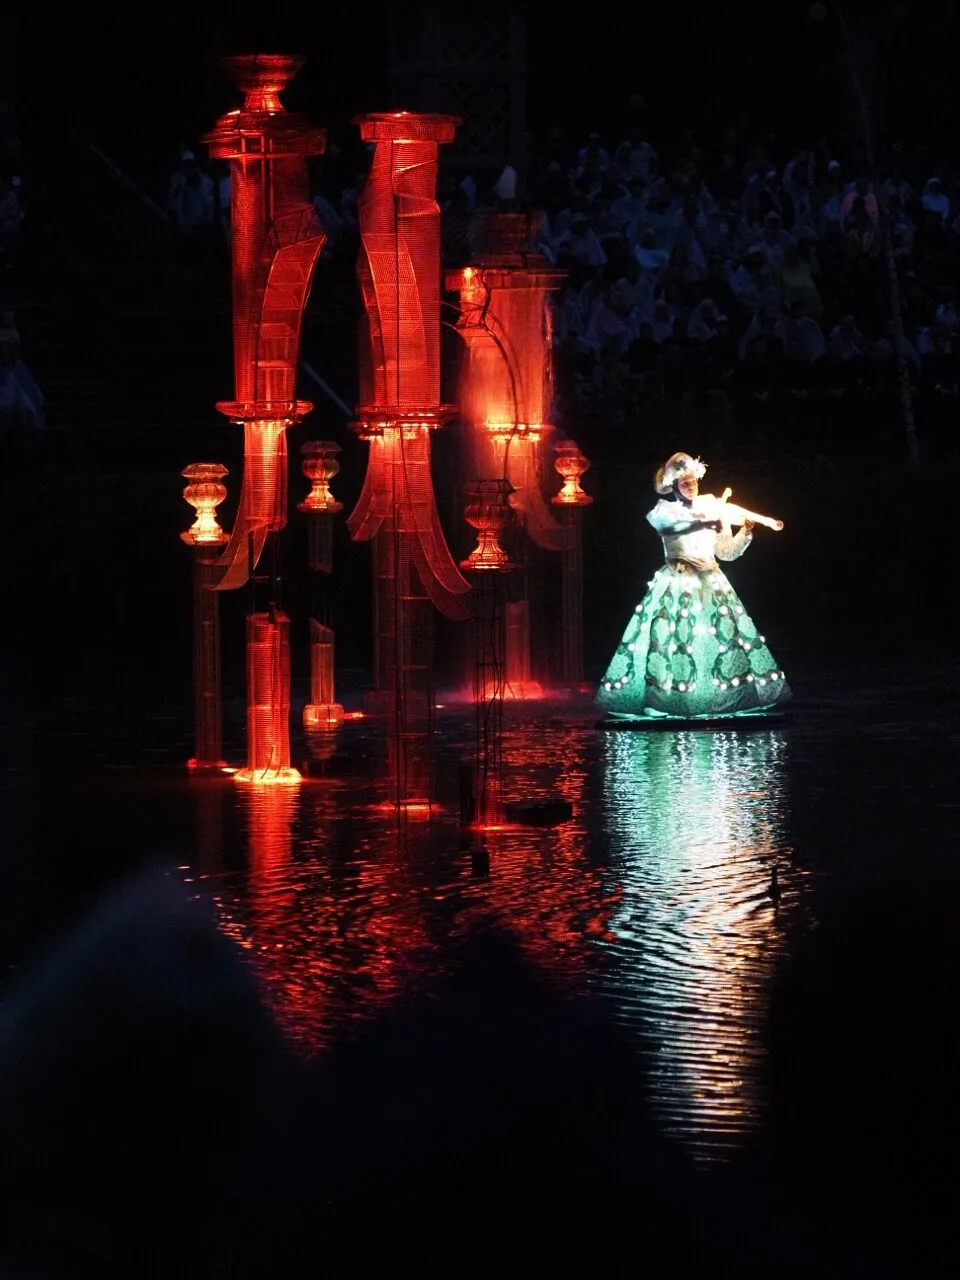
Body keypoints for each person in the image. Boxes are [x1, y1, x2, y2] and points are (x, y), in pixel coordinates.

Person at [596, 452, 792, 721]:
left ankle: (718, 700)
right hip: (677, 582)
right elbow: (671, 527)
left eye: (693, 481)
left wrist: (744, 533)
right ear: (674, 486)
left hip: (711, 581)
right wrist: (705, 521)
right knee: (675, 643)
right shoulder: (664, 511)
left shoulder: (711, 507)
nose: (691, 486)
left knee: (718, 643)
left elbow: (726, 552)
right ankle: (674, 702)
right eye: (684, 482)